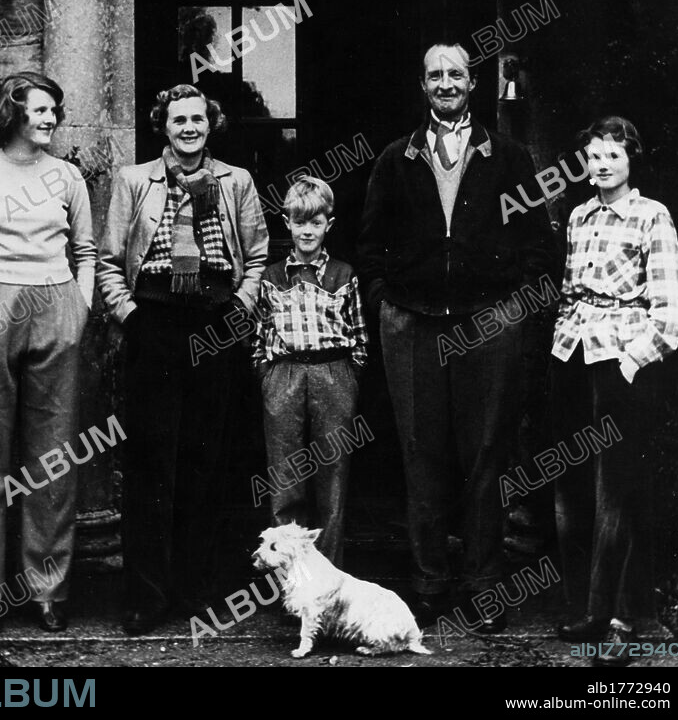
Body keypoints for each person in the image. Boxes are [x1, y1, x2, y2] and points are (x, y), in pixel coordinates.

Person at [358, 43, 556, 628]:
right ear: (422, 86)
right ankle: (427, 584)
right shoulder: (398, 158)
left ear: (472, 83)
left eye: (455, 74)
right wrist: (385, 306)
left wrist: (515, 313)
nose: (445, 83)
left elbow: (541, 248)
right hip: (413, 325)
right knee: (421, 454)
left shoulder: (510, 158)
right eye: (434, 75)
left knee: (486, 456)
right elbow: (369, 248)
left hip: (488, 324)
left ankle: (485, 586)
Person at [97, 83, 268, 634]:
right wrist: (131, 318)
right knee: (150, 463)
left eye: (198, 119)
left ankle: (196, 589)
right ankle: (148, 596)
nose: (189, 128)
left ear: (210, 124)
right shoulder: (133, 181)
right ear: (162, 126)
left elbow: (259, 255)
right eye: (179, 120)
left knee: (207, 460)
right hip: (155, 323)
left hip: (215, 323)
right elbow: (107, 261)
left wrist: (238, 313)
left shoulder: (235, 181)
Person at [0, 72, 95, 634]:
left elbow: (85, 250)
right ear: (15, 115)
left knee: (53, 455)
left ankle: (47, 591)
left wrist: (78, 310)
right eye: (41, 110)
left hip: (56, 305)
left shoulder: (67, 176)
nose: (51, 118)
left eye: (56, 109)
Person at [551, 117, 678, 666]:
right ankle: (590, 608)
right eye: (594, 155)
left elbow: (672, 309)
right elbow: (568, 293)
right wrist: (565, 342)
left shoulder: (653, 215)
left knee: (622, 494)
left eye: (613, 155)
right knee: (576, 491)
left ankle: (623, 621)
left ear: (631, 160)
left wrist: (632, 362)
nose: (603, 164)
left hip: (622, 363)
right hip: (572, 358)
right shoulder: (580, 216)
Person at [252, 176, 368, 569]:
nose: (307, 230)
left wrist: (349, 375)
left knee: (332, 480)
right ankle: (288, 578)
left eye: (315, 222)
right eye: (299, 221)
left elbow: (359, 335)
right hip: (284, 374)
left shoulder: (344, 274)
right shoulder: (271, 277)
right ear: (287, 222)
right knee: (285, 478)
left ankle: (328, 579)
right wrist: (267, 374)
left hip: (332, 374)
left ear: (328, 226)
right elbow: (261, 332)